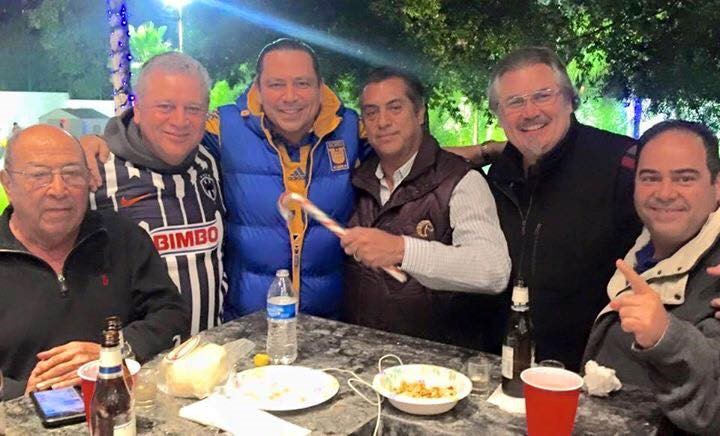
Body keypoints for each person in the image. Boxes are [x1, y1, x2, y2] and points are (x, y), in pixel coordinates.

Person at [0, 125, 188, 400]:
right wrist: (24, 393)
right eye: (39, 175)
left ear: (89, 179)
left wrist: (115, 351)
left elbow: (171, 313)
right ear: (7, 183)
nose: (58, 189)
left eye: (72, 174)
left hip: (121, 406)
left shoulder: (122, 237)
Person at [484, 47, 642, 370]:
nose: (530, 112)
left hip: (593, 373)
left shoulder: (623, 164)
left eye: (543, 96)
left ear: (570, 100)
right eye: (514, 102)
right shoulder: (498, 176)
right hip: (503, 368)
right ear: (499, 114)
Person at [340, 67, 511, 348]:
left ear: (419, 113)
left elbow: (493, 271)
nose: (382, 121)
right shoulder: (356, 181)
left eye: (395, 108)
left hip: (436, 363)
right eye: (371, 112)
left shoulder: (461, 181)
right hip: (362, 354)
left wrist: (402, 250)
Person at [202, 38, 368, 320]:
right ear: (258, 87)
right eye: (276, 84)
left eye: (302, 83)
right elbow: (165, 145)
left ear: (320, 86)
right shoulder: (224, 128)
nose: (290, 97)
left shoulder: (352, 129)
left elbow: (404, 153)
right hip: (247, 322)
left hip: (328, 322)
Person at [583, 120, 720, 434]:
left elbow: (714, 410)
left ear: (717, 187)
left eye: (685, 178)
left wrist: (665, 336)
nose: (665, 193)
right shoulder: (640, 246)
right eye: (650, 177)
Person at [90, 52, 225, 335]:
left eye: (193, 108)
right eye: (165, 106)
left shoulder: (208, 162)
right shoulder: (96, 170)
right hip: (132, 357)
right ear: (138, 110)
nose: (180, 120)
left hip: (209, 353)